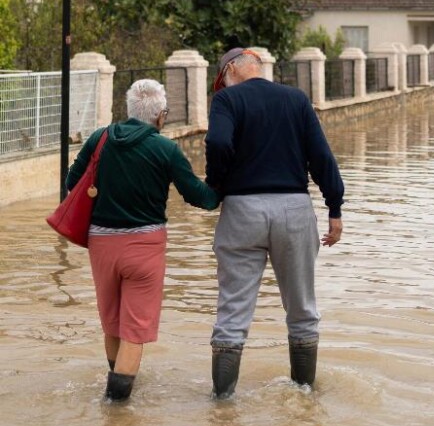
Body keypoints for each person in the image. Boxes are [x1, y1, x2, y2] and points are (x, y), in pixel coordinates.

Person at [65, 78, 219, 402]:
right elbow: (202, 198)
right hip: (145, 247)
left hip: (101, 244)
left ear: (129, 110)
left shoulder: (100, 138)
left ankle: (113, 395)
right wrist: (224, 182)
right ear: (161, 115)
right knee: (134, 329)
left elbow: (71, 182)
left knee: (112, 322)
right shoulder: (165, 149)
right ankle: (118, 411)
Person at [205, 47, 344, 399]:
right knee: (302, 308)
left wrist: (217, 185)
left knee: (232, 313)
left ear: (231, 71)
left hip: (242, 211)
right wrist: (334, 206)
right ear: (259, 67)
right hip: (294, 210)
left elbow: (218, 141)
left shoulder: (227, 102)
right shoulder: (296, 99)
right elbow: (320, 155)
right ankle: (304, 396)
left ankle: (222, 405)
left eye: (222, 81)